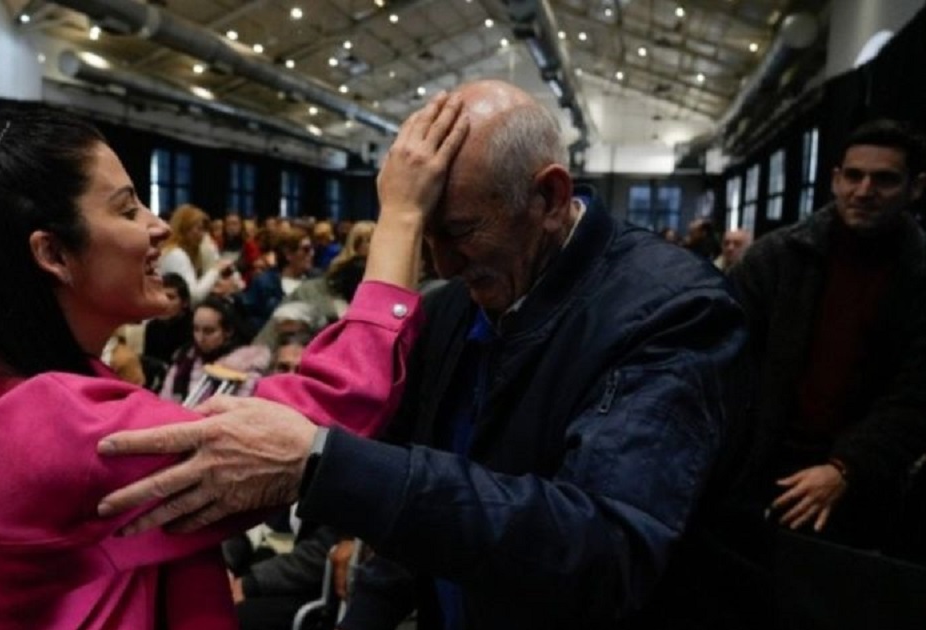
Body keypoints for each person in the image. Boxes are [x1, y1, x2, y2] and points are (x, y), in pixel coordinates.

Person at [95, 80, 748, 628]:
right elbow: (419, 516)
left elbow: (605, 549)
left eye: (461, 230)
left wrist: (326, 463)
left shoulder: (671, 310)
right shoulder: (451, 309)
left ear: (549, 198)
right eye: (425, 235)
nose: (442, 262)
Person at [0, 102, 465, 629]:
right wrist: (403, 216)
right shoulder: (55, 424)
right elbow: (329, 409)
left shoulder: (14, 397)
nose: (157, 226)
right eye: (128, 208)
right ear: (54, 254)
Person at [728, 119, 926, 551]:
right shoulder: (775, 260)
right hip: (756, 470)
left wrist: (847, 468)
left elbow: (915, 396)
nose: (864, 190)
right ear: (835, 179)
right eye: (853, 175)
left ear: (915, 188)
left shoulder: (919, 276)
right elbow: (723, 356)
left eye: (885, 179)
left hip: (860, 490)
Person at [159, 295, 269, 403]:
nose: (200, 338)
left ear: (228, 332)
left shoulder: (246, 367)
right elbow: (165, 402)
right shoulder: (185, 359)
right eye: (196, 329)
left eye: (209, 331)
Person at [158, 204, 234, 304]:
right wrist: (216, 269)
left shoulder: (172, 251)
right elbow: (193, 297)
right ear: (185, 229)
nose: (203, 235)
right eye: (199, 229)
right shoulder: (176, 255)